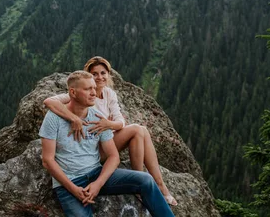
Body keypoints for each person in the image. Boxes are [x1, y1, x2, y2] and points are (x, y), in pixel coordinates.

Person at [43, 56, 177, 206]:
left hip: (107, 143)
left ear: (108, 74)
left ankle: (156, 183)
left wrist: (108, 124)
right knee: (138, 130)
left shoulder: (108, 94)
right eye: (94, 74)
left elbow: (121, 122)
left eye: (103, 73)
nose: (99, 77)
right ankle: (143, 185)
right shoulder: (79, 94)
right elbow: (49, 101)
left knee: (141, 130)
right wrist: (74, 119)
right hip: (92, 150)